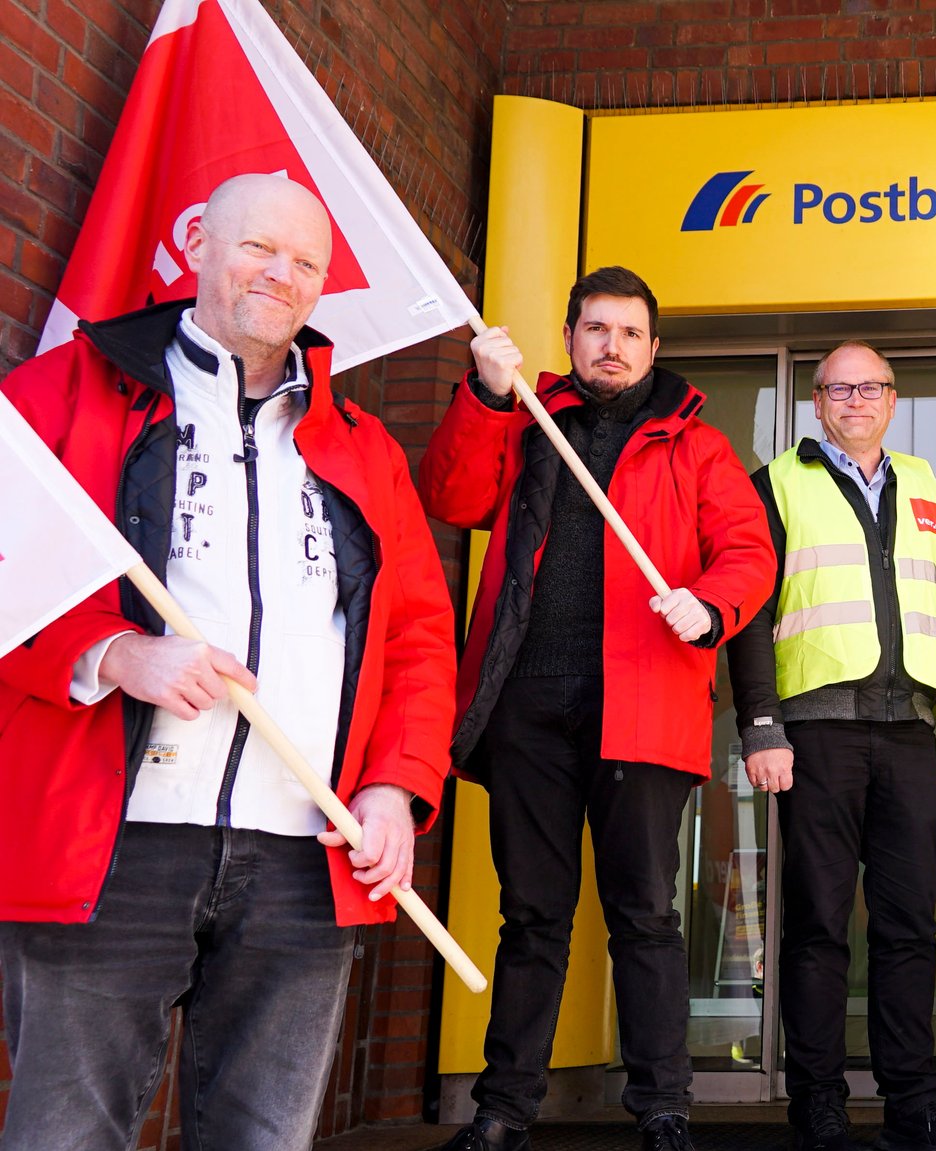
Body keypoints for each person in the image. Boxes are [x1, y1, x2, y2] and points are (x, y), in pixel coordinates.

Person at [0, 173, 457, 1150]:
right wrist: (113, 654)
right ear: (199, 240)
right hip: (111, 839)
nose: (281, 275)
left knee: (265, 1137)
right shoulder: (55, 398)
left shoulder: (365, 450)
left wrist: (393, 788)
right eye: (259, 247)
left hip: (307, 849)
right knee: (64, 1133)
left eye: (304, 263)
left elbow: (419, 637)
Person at [420, 265, 776, 1151]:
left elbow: (749, 553)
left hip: (645, 709)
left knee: (645, 915)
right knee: (532, 915)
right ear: (572, 337)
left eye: (628, 332)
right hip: (529, 711)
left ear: (654, 347)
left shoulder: (696, 443)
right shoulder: (531, 418)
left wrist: (710, 605)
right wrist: (481, 396)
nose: (610, 346)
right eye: (594, 330)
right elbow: (453, 497)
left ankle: (663, 1107)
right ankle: (503, 1109)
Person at [726, 340, 936, 1151]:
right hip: (818, 734)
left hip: (911, 733)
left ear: (892, 400)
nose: (856, 400)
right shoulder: (775, 483)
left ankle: (914, 1103)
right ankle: (819, 1104)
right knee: (817, 925)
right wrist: (762, 726)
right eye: (839, 388)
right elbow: (751, 613)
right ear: (817, 403)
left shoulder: (926, 486)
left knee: (912, 923)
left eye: (871, 387)